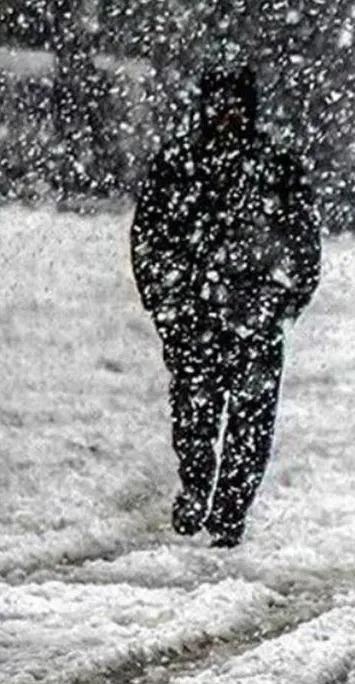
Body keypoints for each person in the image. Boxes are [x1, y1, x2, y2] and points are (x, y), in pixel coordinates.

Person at [130, 65, 321, 548]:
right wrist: (166, 302)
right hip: (194, 316)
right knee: (194, 413)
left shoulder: (275, 167)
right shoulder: (179, 164)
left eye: (236, 102)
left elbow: (303, 242)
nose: (228, 113)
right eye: (220, 102)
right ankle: (196, 487)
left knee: (250, 425)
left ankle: (230, 512)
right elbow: (149, 238)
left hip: (253, 318)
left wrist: (282, 301)